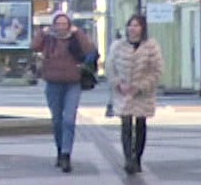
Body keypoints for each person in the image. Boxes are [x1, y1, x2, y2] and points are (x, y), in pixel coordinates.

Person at [35, 12, 96, 173]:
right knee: (57, 120)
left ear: (69, 25)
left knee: (69, 120)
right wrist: (42, 32)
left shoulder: (75, 37)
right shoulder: (49, 39)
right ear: (54, 25)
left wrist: (78, 32)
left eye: (64, 24)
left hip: (72, 83)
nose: (61, 27)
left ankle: (66, 154)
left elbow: (89, 49)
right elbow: (34, 46)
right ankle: (59, 150)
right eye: (58, 24)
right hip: (53, 82)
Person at [108, 14, 162, 175]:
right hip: (123, 91)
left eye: (137, 25)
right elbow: (110, 67)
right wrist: (119, 83)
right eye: (130, 25)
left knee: (140, 125)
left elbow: (157, 70)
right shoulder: (118, 46)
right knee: (125, 124)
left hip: (143, 93)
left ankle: (137, 158)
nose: (133, 28)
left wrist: (141, 86)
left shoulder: (151, 46)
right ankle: (128, 159)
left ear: (142, 28)